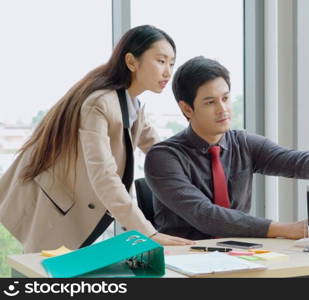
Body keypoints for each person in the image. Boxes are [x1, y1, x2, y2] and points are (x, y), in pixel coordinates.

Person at [0, 25, 194, 253]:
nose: (168, 72)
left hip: (89, 214)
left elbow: (160, 150)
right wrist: (148, 232)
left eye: (172, 63)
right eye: (161, 61)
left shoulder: (133, 105)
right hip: (61, 214)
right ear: (131, 62)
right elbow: (104, 176)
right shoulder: (100, 103)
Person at [144, 56, 309, 240]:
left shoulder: (242, 143)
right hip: (185, 263)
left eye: (225, 98)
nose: (223, 109)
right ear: (186, 108)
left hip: (238, 253)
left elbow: (291, 160)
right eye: (210, 102)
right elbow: (206, 215)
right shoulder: (163, 157)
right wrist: (285, 228)